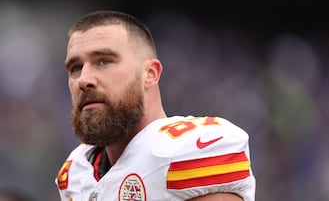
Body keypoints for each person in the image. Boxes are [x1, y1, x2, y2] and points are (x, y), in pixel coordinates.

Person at [55, 10, 256, 201]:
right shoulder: (76, 171)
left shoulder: (194, 148)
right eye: (76, 68)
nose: (83, 79)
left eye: (104, 61)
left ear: (150, 73)